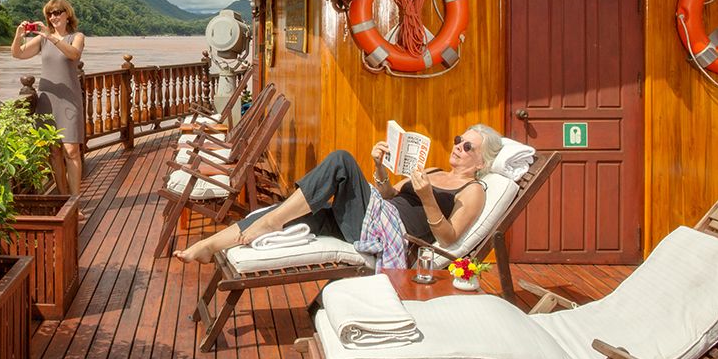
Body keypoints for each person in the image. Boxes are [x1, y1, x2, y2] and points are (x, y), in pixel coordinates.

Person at [173, 124, 502, 264]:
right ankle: (213, 245)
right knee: (300, 212)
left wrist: (428, 198)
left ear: (481, 161)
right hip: (374, 215)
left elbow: (448, 237)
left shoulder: (473, 191)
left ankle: (272, 221)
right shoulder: (431, 172)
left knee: (342, 159)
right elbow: (388, 194)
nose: (458, 146)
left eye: (467, 145)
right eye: (459, 139)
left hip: (391, 235)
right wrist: (379, 168)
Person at [11, 0, 86, 211]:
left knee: (71, 150)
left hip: (69, 99)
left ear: (67, 14)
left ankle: (75, 202)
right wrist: (18, 36)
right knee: (53, 151)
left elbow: (74, 54)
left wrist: (51, 37)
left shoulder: (76, 36)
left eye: (58, 12)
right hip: (47, 99)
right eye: (50, 14)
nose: (53, 17)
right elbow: (17, 54)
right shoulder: (42, 39)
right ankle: (63, 200)